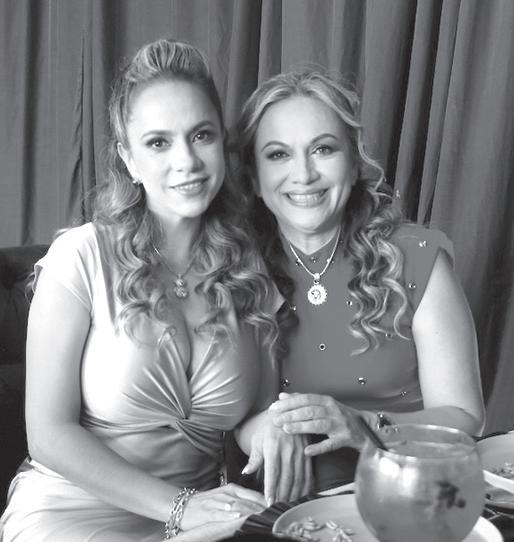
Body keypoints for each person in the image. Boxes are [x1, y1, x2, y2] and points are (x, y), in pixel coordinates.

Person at [0, 38, 281, 542]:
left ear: (222, 143)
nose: (187, 160)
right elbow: (48, 435)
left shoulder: (249, 271)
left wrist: (273, 429)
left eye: (201, 135)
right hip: (72, 512)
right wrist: (181, 507)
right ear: (128, 159)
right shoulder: (81, 257)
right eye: (158, 143)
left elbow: (252, 417)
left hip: (203, 521)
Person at [234, 69, 485, 504]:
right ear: (254, 177)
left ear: (352, 163)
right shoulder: (237, 269)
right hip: (286, 503)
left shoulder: (416, 258)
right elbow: (234, 414)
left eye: (323, 149)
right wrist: (269, 427)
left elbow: (465, 417)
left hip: (412, 493)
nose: (303, 174)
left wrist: (364, 425)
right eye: (278, 154)